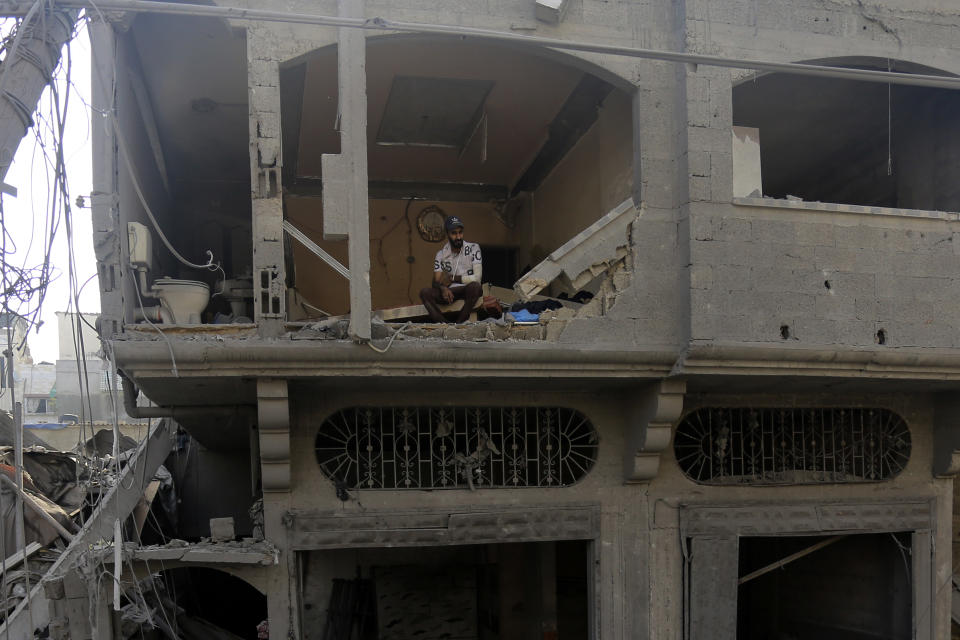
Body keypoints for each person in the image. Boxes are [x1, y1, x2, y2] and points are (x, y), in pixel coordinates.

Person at [419, 216, 483, 323]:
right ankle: (444, 325)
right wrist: (443, 288)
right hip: (450, 293)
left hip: (467, 289)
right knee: (424, 292)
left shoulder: (473, 248)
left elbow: (477, 278)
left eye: (460, 232)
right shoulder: (441, 254)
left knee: (476, 287)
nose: (458, 237)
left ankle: (458, 324)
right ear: (447, 234)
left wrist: (453, 278)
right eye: (454, 233)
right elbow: (435, 282)